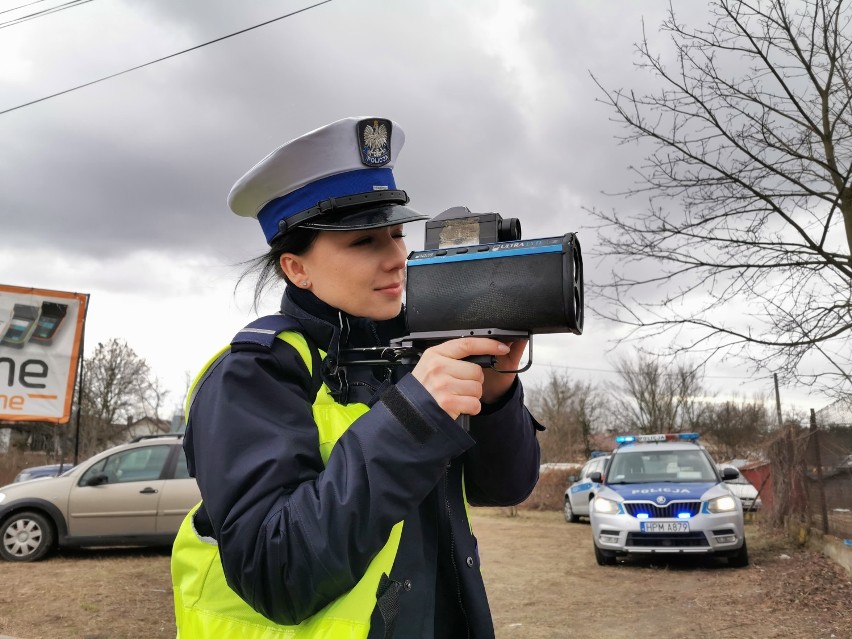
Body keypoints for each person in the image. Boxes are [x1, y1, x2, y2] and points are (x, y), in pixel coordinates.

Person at [171, 116, 543, 639]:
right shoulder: (252, 374)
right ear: (296, 269)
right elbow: (278, 574)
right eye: (364, 242)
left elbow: (505, 487)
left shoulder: (415, 356)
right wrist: (412, 417)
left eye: (396, 234)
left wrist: (499, 385)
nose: (397, 259)